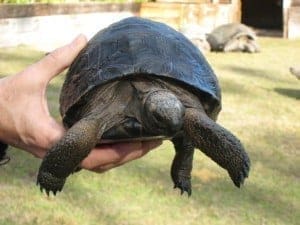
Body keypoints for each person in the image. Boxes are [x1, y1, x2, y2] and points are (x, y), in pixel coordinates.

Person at [0, 34, 162, 172]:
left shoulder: (179, 107)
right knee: (80, 138)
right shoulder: (105, 107)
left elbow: (186, 116)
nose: (172, 121)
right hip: (104, 106)